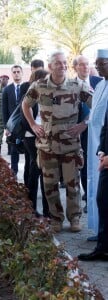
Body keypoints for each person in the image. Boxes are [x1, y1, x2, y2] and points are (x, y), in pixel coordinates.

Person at [22, 50, 92, 233]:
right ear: (50, 66)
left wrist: (84, 124)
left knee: (72, 184)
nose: (62, 66)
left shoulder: (77, 85)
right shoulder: (39, 85)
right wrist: (32, 124)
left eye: (64, 63)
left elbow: (97, 105)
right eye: (58, 63)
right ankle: (56, 219)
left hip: (71, 145)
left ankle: (75, 218)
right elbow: (25, 104)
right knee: (49, 186)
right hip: (47, 145)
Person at [78, 99, 108, 261]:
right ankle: (102, 248)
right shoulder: (102, 87)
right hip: (105, 161)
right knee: (102, 200)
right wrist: (101, 151)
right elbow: (106, 126)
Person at [72, 55, 102, 214]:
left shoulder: (99, 82)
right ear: (75, 67)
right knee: (84, 166)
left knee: (99, 163)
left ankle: (98, 196)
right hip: (80, 134)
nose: (85, 67)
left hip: (98, 131)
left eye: (87, 64)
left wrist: (87, 122)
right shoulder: (70, 85)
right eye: (81, 65)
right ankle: (88, 198)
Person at [85, 49, 108, 243]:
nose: (98, 66)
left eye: (102, 63)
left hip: (105, 146)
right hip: (97, 142)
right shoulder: (100, 85)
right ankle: (101, 233)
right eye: (97, 63)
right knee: (98, 191)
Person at [21, 68, 50, 218]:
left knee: (45, 171)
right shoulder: (30, 93)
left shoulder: (47, 92)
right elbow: (25, 119)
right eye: (46, 78)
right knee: (37, 169)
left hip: (44, 137)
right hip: (31, 137)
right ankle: (31, 207)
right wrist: (37, 131)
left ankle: (47, 210)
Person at [2, 65, 23, 177]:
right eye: (14, 72)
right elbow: (4, 109)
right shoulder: (7, 89)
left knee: (27, 148)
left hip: (25, 124)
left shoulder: (27, 87)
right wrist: (6, 127)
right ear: (12, 74)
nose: (16, 74)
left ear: (22, 73)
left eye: (18, 71)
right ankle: (14, 171)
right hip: (12, 125)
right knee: (14, 149)